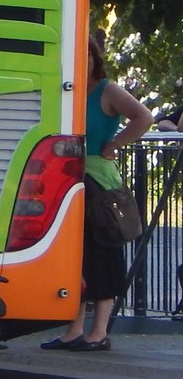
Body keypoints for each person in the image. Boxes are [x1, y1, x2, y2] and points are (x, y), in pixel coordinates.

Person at [41, 33, 153, 352]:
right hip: (63, 178)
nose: (83, 62)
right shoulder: (66, 90)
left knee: (102, 249)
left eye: (88, 55)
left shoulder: (108, 90)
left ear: (96, 59)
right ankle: (73, 329)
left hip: (98, 183)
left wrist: (115, 144)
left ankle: (99, 331)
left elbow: (144, 117)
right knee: (72, 255)